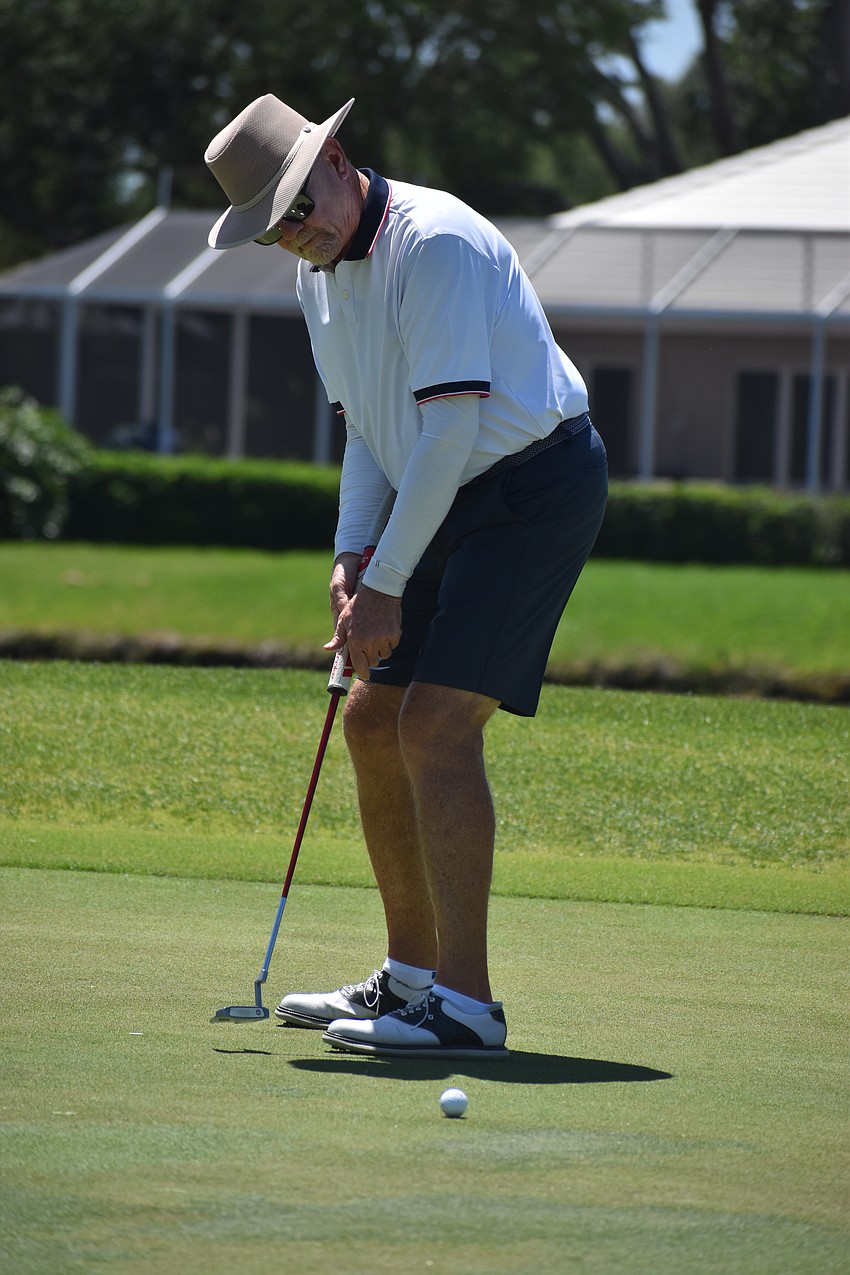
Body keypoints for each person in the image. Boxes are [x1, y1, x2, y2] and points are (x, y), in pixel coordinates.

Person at [204, 93, 608, 1059]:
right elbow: (369, 429)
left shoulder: (435, 243)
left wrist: (387, 583)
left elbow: (451, 426)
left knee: (433, 723)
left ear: (337, 159)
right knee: (370, 719)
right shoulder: (317, 280)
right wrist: (353, 558)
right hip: (442, 484)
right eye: (275, 227)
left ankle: (466, 1006)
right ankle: (411, 979)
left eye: (300, 207)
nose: (296, 233)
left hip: (530, 486)